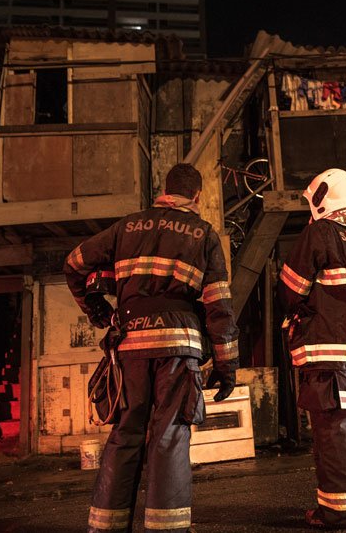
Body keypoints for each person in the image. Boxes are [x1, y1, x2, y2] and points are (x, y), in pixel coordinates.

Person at [64, 164, 239, 533]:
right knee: (170, 435)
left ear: (165, 191)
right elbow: (219, 307)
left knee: (126, 433)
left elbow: (74, 263)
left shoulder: (127, 226)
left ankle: (106, 526)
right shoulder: (204, 235)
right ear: (197, 197)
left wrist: (100, 312)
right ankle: (167, 528)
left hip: (130, 347)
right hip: (179, 347)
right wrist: (226, 366)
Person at [278, 168, 346, 529]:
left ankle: (340, 513)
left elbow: (292, 288)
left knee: (334, 427)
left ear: (323, 196)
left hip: (332, 349)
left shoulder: (321, 231)